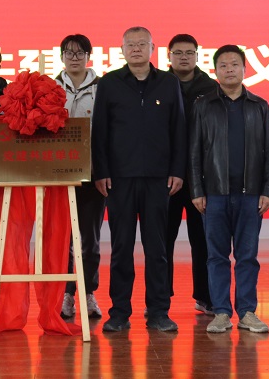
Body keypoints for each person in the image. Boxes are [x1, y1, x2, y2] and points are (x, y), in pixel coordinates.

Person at [92, 26, 186, 333]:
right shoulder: (109, 83)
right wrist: (101, 171)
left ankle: (158, 311)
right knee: (121, 248)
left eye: (141, 44)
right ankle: (119, 312)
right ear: (122, 50)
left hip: (158, 178)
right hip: (119, 179)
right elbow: (100, 131)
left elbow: (178, 129)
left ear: (152, 48)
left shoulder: (168, 83)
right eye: (130, 45)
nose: (135, 49)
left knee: (157, 248)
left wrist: (177, 170)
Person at [189, 44, 269, 334]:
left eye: (234, 64)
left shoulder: (259, 106)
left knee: (247, 256)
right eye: (223, 65)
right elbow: (194, 151)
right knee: (215, 256)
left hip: (251, 194)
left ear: (244, 69)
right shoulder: (203, 105)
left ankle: (247, 311)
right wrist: (197, 190)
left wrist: (268, 190)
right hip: (214, 194)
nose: (229, 70)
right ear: (215, 70)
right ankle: (221, 312)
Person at [165, 34, 217, 316]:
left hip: (201, 177)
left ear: (197, 56)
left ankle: (205, 297)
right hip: (166, 176)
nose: (184, 57)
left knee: (203, 240)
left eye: (189, 53)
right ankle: (160, 297)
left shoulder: (211, 88)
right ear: (169, 56)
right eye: (178, 53)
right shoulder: (159, 84)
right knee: (163, 239)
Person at [55, 34, 105, 320]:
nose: (74, 58)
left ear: (88, 56)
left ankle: (88, 292)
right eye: (69, 53)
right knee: (63, 238)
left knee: (89, 238)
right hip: (57, 175)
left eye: (80, 53)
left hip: (91, 174)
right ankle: (65, 293)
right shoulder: (50, 88)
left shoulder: (103, 88)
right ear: (61, 56)